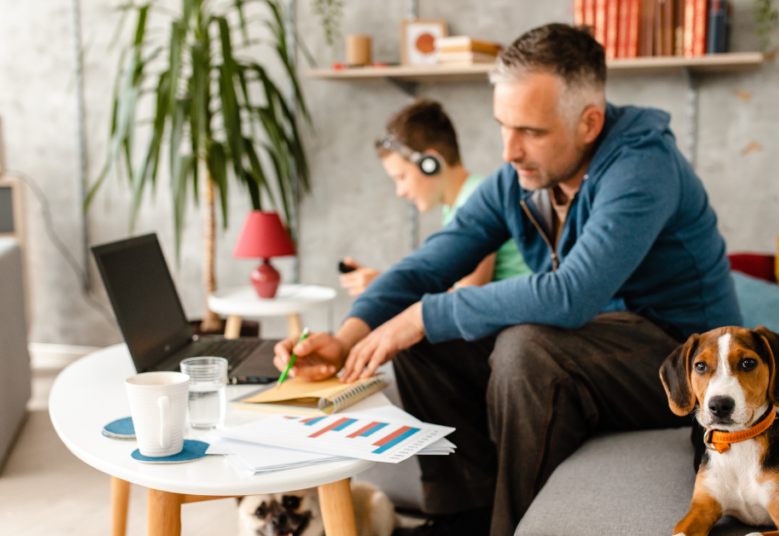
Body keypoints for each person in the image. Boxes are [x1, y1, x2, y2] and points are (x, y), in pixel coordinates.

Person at [275, 24, 742, 536]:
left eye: (531, 132)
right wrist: (347, 339)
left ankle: (509, 529)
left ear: (589, 123)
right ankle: (461, 519)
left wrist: (426, 314)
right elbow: (429, 264)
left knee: (525, 348)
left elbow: (573, 295)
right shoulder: (521, 179)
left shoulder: (642, 166)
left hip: (685, 366)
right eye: (504, 126)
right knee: (419, 341)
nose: (509, 151)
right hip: (599, 347)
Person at [339, 99, 532, 297]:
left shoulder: (475, 203)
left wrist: (388, 287)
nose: (400, 191)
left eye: (401, 177)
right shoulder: (459, 203)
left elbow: (465, 299)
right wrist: (388, 283)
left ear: (429, 163)